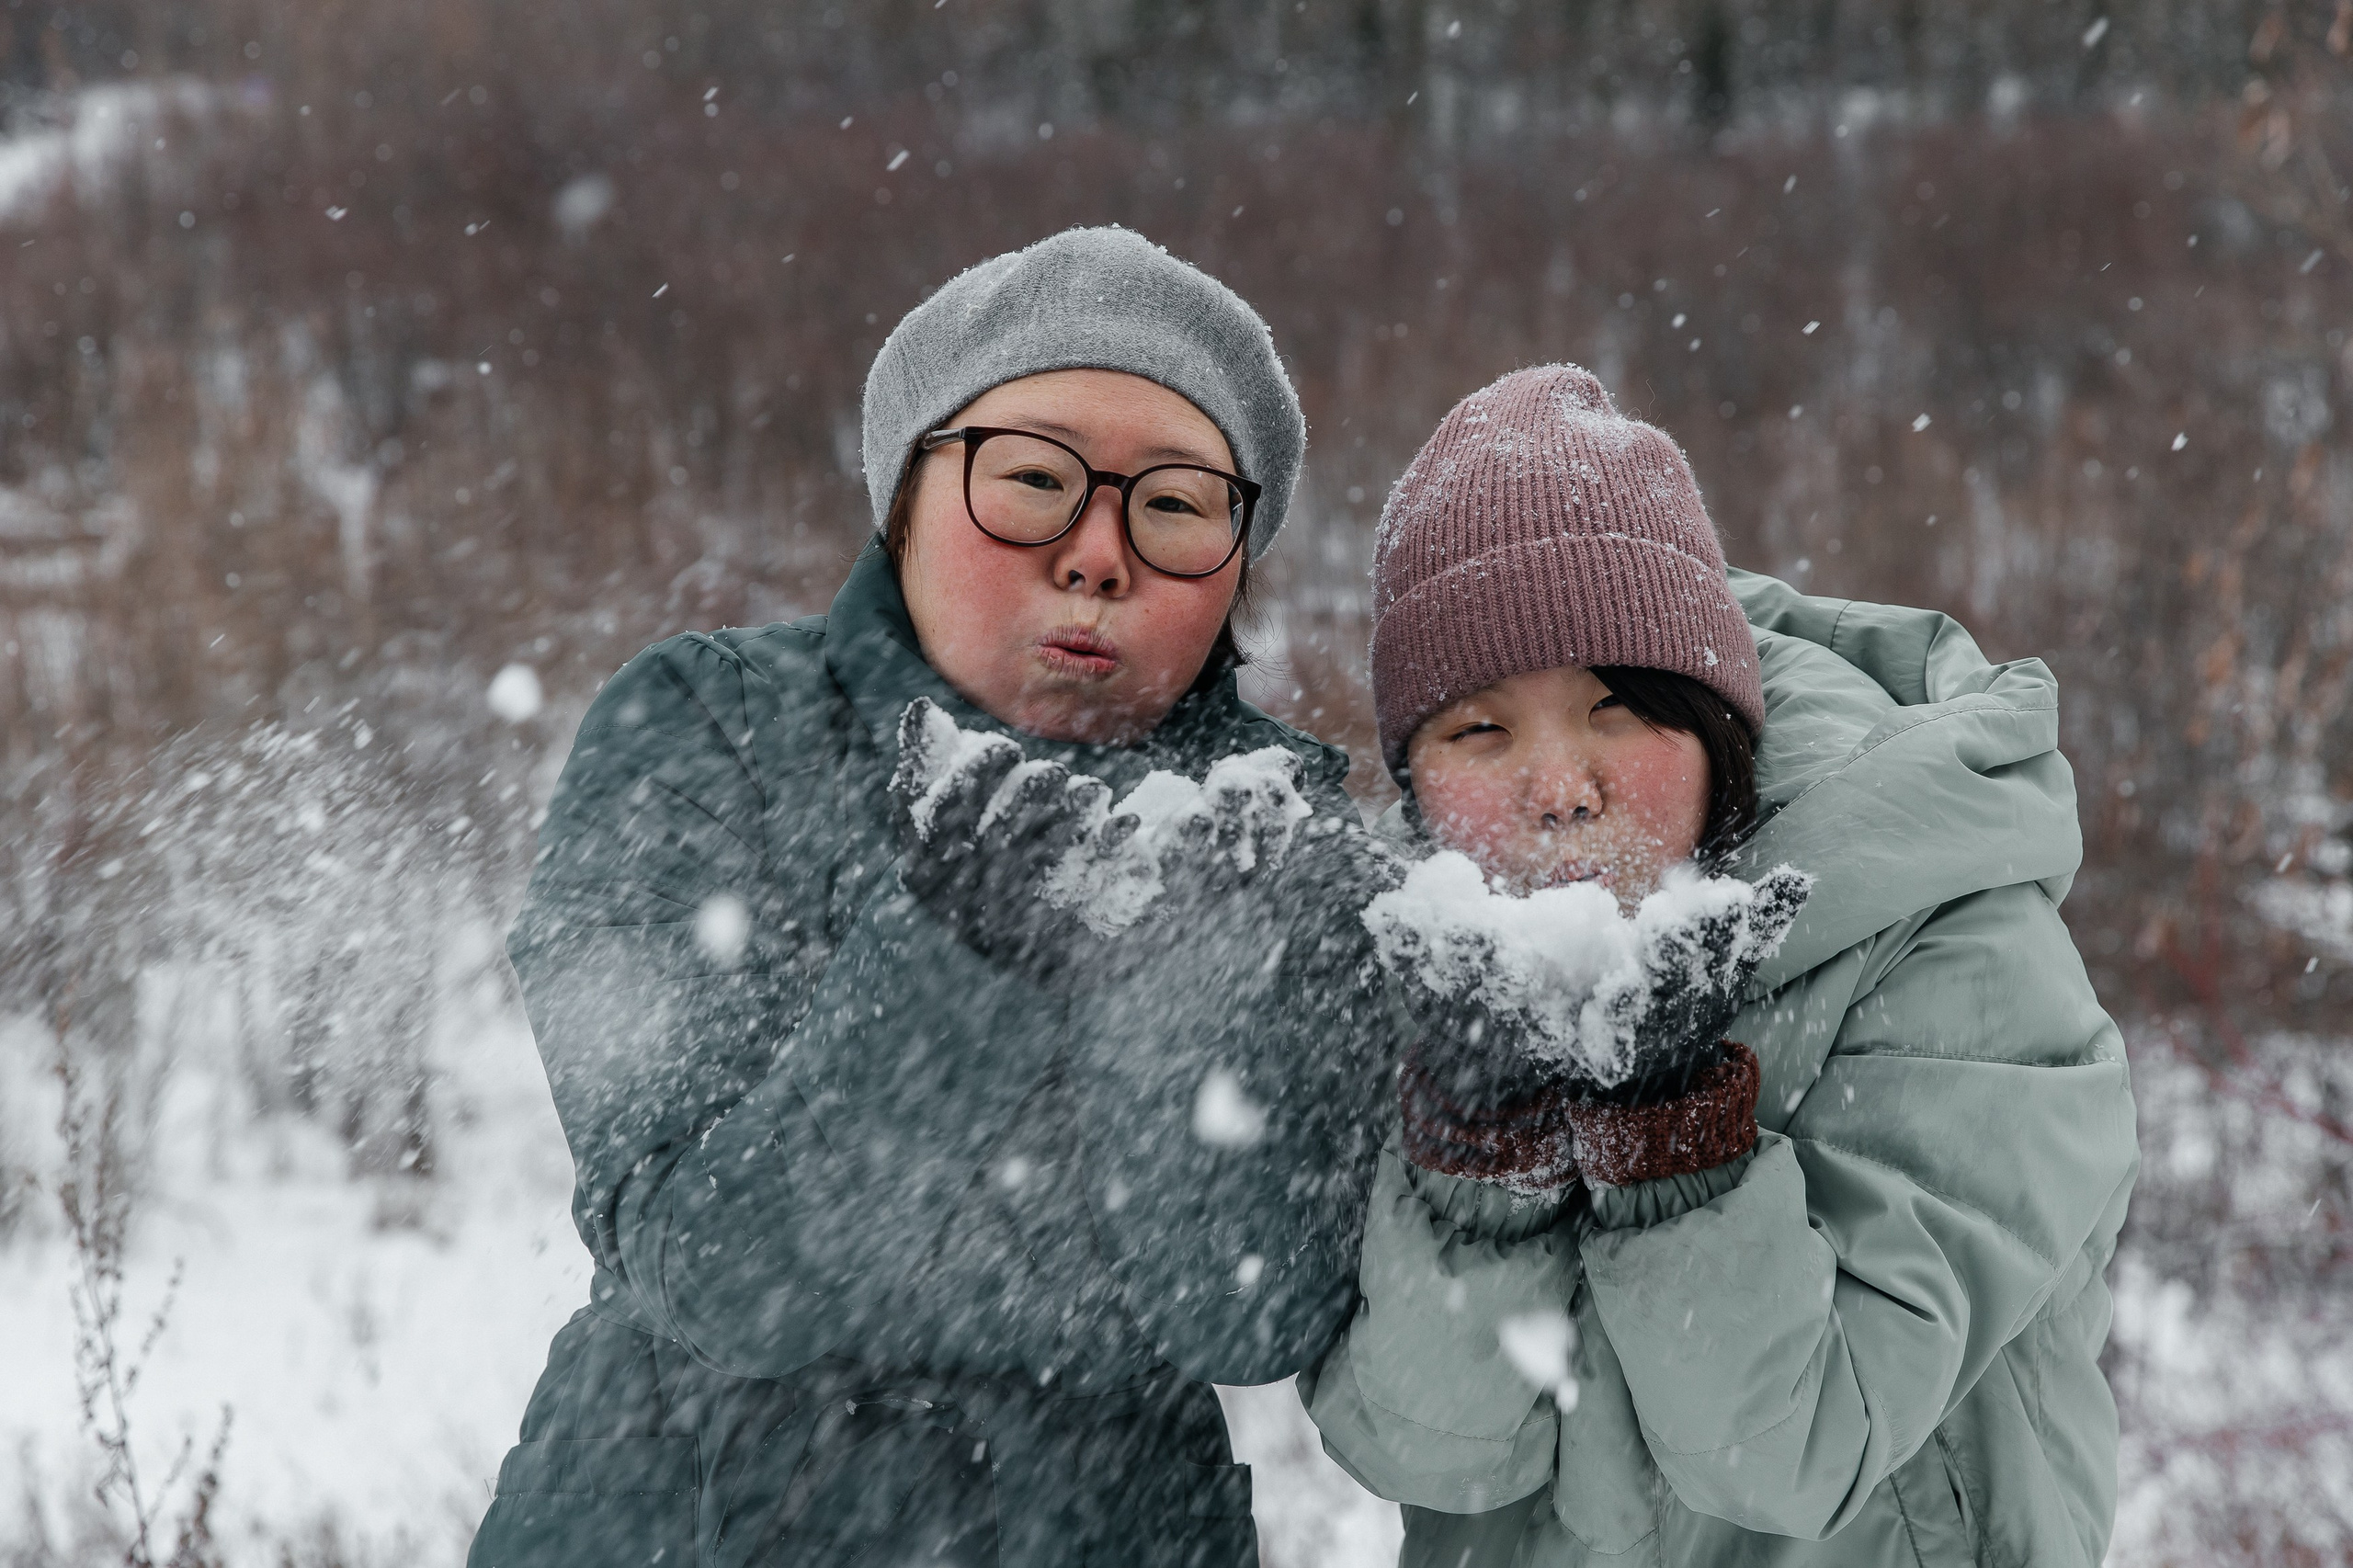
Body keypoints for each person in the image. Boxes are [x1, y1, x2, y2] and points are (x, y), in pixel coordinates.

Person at [468, 227, 1398, 1568]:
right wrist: (964, 962)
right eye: (1034, 479)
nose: (1098, 554)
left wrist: (1182, 983)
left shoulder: (1273, 830)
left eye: (1177, 506)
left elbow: (1246, 1317)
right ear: (908, 497)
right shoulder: (711, 729)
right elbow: (716, 1270)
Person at [1302, 364, 2139, 1568]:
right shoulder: (1424, 974)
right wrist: (1481, 1146)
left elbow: (1794, 1449)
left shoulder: (1955, 942)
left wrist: (1671, 1134)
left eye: (1617, 709)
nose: (1559, 787)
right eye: (1480, 729)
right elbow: (1426, 1452)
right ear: (1416, 785)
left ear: (1715, 723)